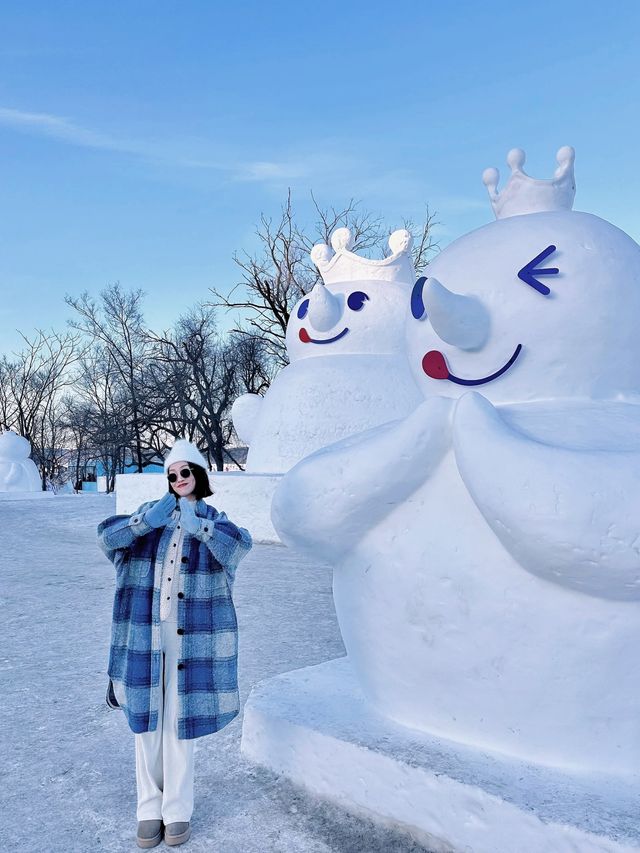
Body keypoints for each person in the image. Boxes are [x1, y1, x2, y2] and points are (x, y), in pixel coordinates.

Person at [97, 439, 252, 848]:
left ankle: (177, 810)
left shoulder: (217, 523)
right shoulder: (150, 519)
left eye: (185, 472)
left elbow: (237, 547)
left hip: (195, 642)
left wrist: (195, 522)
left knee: (178, 728)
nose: (178, 479)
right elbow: (107, 539)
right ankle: (148, 807)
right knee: (146, 723)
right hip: (144, 637)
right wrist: (148, 521)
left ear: (199, 475)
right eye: (171, 474)